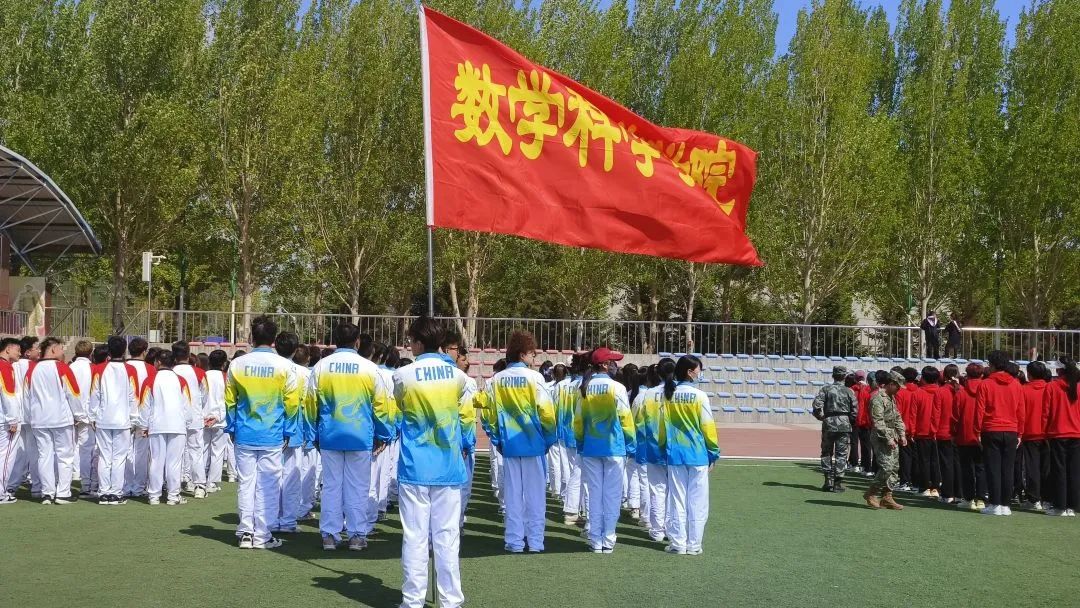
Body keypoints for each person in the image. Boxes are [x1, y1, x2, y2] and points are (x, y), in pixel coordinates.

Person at [392, 316, 474, 608]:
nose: (410, 345)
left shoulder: (403, 375)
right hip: (447, 466)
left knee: (415, 537)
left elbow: (399, 407)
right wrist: (467, 445)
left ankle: (413, 600)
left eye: (411, 340)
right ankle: (451, 600)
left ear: (418, 342)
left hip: (415, 466)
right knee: (447, 537)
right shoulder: (458, 377)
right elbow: (465, 418)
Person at [308, 322, 392, 551]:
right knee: (358, 486)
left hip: (330, 435)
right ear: (357, 342)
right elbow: (381, 406)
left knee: (331, 486)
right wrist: (383, 434)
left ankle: (329, 535)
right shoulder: (369, 368)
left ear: (335, 340)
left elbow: (310, 404)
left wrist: (312, 433)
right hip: (360, 436)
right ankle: (356, 535)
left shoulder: (321, 367)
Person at [225, 316, 301, 549]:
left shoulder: (237, 364)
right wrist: (289, 430)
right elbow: (292, 403)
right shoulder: (285, 366)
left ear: (252, 337)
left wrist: (231, 427)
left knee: (246, 484)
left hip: (244, 433)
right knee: (268, 485)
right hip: (272, 434)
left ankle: (245, 532)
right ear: (274, 339)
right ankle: (262, 535)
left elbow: (230, 400)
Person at [487, 330, 556, 553]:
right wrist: (549, 439)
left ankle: (514, 541)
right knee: (535, 496)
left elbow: (489, 415)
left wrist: (497, 439)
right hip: (534, 444)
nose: (534, 357)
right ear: (523, 353)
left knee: (513, 495)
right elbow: (546, 412)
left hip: (509, 444)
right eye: (532, 353)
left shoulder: (497, 380)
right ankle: (535, 541)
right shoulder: (535, 378)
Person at [574, 347, 635, 554]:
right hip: (614, 448)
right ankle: (608, 539)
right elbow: (625, 418)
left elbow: (578, 420)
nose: (615, 365)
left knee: (594, 494)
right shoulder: (617, 387)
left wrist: (581, 443)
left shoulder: (584, 387)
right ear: (605, 365)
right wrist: (631, 444)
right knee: (612, 495)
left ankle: (595, 539)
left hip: (591, 447)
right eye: (612, 362)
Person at [660, 355, 718, 555]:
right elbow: (708, 426)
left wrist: (663, 447)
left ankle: (678, 543)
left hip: (675, 454)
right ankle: (694, 545)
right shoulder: (700, 396)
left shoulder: (668, 395)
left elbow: (662, 426)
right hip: (698, 454)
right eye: (698, 370)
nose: (700, 373)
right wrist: (713, 452)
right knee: (698, 502)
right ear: (690, 371)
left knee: (677, 500)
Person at [26, 337, 85, 504]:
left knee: (44, 455)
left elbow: (26, 396)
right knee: (64, 456)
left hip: (39, 419)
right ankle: (63, 492)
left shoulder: (33, 370)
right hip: (61, 418)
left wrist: (31, 416)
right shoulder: (61, 367)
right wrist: (79, 415)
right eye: (60, 348)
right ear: (53, 349)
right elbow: (73, 393)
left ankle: (47, 492)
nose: (63, 351)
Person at [89, 336, 138, 505]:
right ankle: (116, 493)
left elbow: (94, 395)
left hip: (103, 419)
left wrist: (93, 416)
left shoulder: (99, 369)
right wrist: (134, 418)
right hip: (122, 420)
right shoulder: (130, 370)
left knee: (105, 456)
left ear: (109, 350)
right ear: (124, 350)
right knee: (119, 457)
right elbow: (133, 396)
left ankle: (104, 492)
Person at [975, 350, 1025, 516]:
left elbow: (979, 410)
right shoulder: (1016, 384)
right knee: (1008, 469)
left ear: (993, 365)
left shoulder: (985, 384)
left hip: (991, 429)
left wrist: (977, 430)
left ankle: (995, 503)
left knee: (993, 468)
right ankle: (1006, 504)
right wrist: (1020, 432)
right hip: (1011, 430)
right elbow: (1021, 411)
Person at [141, 350, 192, 505]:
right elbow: (187, 406)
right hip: (177, 425)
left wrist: (144, 425)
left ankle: (154, 496)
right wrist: (186, 422)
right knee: (174, 462)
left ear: (158, 362)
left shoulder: (150, 379)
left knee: (156, 460)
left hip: (157, 425)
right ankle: (173, 496)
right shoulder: (181, 380)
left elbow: (144, 405)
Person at [271, 332, 305, 534]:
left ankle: (272, 518)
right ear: (295, 350)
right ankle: (288, 521)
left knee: (272, 475)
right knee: (291, 476)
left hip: (272, 429)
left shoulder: (272, 367)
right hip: (294, 430)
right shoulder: (302, 373)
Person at [638, 359, 672, 542]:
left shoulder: (649, 394)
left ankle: (658, 530)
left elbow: (640, 422)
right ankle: (673, 529)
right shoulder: (678, 392)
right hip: (675, 448)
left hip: (653, 446)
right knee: (675, 491)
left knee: (657, 489)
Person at [865, 370, 907, 510]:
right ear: (891, 384)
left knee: (894, 468)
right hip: (881, 437)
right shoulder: (878, 398)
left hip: (892, 436)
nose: (899, 389)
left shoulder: (891, 398)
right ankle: (871, 493)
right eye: (898, 386)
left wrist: (902, 434)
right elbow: (878, 421)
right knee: (886, 467)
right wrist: (888, 438)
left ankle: (887, 497)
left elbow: (897, 417)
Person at [1043, 358, 1080, 517]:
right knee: (1074, 470)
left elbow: (1046, 412)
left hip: (1058, 433)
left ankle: (1060, 506)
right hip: (1076, 433)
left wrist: (1044, 432)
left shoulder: (1052, 386)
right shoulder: (1077, 387)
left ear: (1059, 370)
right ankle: (1072, 506)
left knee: (1059, 470)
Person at [171, 341, 209, 497]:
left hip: (175, 419)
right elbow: (205, 395)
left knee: (175, 454)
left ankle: (175, 484)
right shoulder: (199, 373)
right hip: (194, 417)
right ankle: (199, 486)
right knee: (196, 452)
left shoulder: (170, 372)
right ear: (188, 354)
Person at [812, 365, 856, 493]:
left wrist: (821, 417)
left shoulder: (826, 389)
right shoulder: (849, 391)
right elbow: (854, 410)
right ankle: (838, 483)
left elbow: (816, 405)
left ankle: (828, 480)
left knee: (826, 452)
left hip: (829, 422)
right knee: (841, 454)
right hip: (844, 424)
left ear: (833, 375)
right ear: (844, 376)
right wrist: (849, 421)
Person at [952, 363, 987, 510]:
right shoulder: (986, 389)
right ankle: (981, 498)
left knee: (966, 468)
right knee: (981, 467)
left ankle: (968, 498)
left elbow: (955, 416)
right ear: (981, 375)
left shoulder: (961, 393)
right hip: (983, 434)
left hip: (964, 434)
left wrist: (954, 433)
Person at [123, 339, 154, 498]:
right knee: (142, 453)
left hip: (125, 414)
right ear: (144, 351)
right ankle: (138, 487)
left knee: (126, 451)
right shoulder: (150, 369)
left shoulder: (122, 367)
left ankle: (125, 485)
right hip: (143, 414)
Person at [1020, 361, 1051, 511]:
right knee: (1047, 468)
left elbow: (1020, 412)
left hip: (1030, 432)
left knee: (1032, 467)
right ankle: (1047, 498)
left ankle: (1034, 499)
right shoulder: (1050, 388)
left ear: (1029, 374)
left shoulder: (1024, 389)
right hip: (1049, 433)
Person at [70, 340, 96, 498]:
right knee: (87, 450)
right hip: (87, 414)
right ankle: (86, 484)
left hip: (70, 414)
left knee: (69, 449)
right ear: (90, 353)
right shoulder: (92, 368)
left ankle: (70, 478)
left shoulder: (70, 367)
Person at [202, 350, 229, 494]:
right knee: (217, 452)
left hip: (204, 418)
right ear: (224, 364)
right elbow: (227, 400)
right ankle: (212, 482)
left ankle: (200, 480)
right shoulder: (226, 377)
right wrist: (218, 417)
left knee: (203, 450)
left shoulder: (203, 375)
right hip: (220, 419)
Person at [0, 338, 22, 504]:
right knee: (5, 457)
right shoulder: (5, 367)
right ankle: (1, 492)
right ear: (8, 349)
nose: (19, 353)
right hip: (4, 419)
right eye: (17, 350)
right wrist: (13, 419)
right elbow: (8, 394)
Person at [935, 364, 960, 503]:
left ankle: (947, 493)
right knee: (958, 464)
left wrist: (934, 430)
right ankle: (959, 493)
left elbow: (936, 414)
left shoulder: (941, 391)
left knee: (946, 465)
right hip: (959, 432)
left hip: (944, 431)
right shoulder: (961, 390)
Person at [914, 366, 941, 497]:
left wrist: (912, 431)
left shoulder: (918, 393)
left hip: (922, 431)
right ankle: (935, 487)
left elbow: (913, 414)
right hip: (939, 432)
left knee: (923, 461)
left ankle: (924, 487)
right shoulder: (941, 391)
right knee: (936, 461)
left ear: (923, 378)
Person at [895, 368, 919, 491]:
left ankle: (904, 481)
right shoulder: (919, 390)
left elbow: (898, 412)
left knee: (904, 456)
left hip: (904, 428)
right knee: (916, 457)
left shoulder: (900, 393)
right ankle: (915, 483)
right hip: (918, 429)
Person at [854, 371, 875, 477]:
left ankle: (866, 467)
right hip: (869, 421)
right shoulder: (870, 390)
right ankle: (868, 467)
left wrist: (860, 420)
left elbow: (861, 407)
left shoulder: (860, 390)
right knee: (869, 446)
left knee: (865, 446)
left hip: (864, 421)